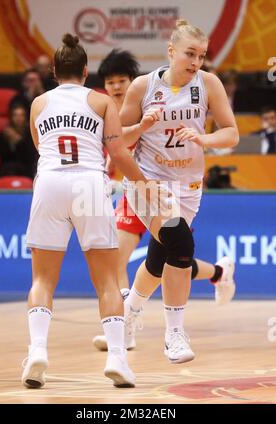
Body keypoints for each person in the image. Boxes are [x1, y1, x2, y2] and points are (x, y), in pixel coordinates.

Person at [22, 33, 152, 389]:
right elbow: (119, 152)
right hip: (89, 185)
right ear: (85, 70)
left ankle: (37, 351)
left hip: (49, 182)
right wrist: (144, 183)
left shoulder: (38, 104)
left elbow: (39, 145)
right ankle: (117, 360)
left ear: (53, 71)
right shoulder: (100, 101)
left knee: (42, 280)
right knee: (108, 281)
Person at [92, 49, 236, 352]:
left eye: (121, 80)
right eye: (110, 81)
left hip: (171, 187)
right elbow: (113, 150)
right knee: (153, 251)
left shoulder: (152, 95)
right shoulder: (104, 108)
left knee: (164, 256)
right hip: (136, 188)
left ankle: (130, 314)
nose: (116, 86)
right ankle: (135, 322)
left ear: (132, 81)